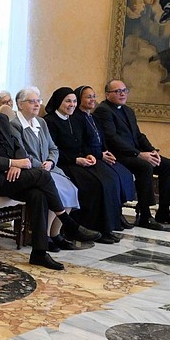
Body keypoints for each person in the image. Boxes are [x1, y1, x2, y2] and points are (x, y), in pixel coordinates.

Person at [0, 84, 100, 271]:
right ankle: (68, 223)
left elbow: (16, 145)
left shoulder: (0, 118)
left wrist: (18, 160)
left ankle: (39, 253)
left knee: (38, 195)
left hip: (6, 176)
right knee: (42, 175)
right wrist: (12, 164)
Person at [9, 87, 100, 249]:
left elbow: (54, 148)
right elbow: (21, 154)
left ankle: (55, 234)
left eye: (38, 101)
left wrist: (50, 162)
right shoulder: (14, 125)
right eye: (32, 101)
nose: (37, 105)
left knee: (71, 189)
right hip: (31, 170)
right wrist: (41, 165)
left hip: (49, 167)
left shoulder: (41, 123)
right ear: (20, 105)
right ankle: (45, 236)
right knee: (56, 191)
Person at [94, 80, 170, 230]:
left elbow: (138, 135)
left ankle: (164, 211)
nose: (122, 94)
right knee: (145, 167)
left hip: (136, 153)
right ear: (107, 94)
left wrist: (152, 151)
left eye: (125, 90)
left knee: (169, 166)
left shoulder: (128, 110)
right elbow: (112, 139)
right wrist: (139, 154)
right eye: (118, 91)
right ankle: (145, 215)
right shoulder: (103, 110)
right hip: (118, 155)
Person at [44, 87, 125, 245]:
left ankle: (105, 228)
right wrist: (76, 160)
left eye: (74, 101)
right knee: (94, 185)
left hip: (79, 161)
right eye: (68, 101)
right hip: (65, 164)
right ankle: (85, 227)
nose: (72, 105)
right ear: (59, 102)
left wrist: (87, 155)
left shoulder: (73, 119)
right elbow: (53, 150)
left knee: (108, 179)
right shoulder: (50, 121)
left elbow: (81, 144)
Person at [75, 85, 136, 227]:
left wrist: (106, 152)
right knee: (109, 179)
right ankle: (105, 223)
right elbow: (81, 145)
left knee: (123, 173)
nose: (92, 99)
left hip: (100, 155)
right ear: (79, 99)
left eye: (94, 96)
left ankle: (117, 214)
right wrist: (100, 155)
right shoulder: (77, 118)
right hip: (90, 157)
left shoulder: (92, 117)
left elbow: (102, 139)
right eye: (88, 97)